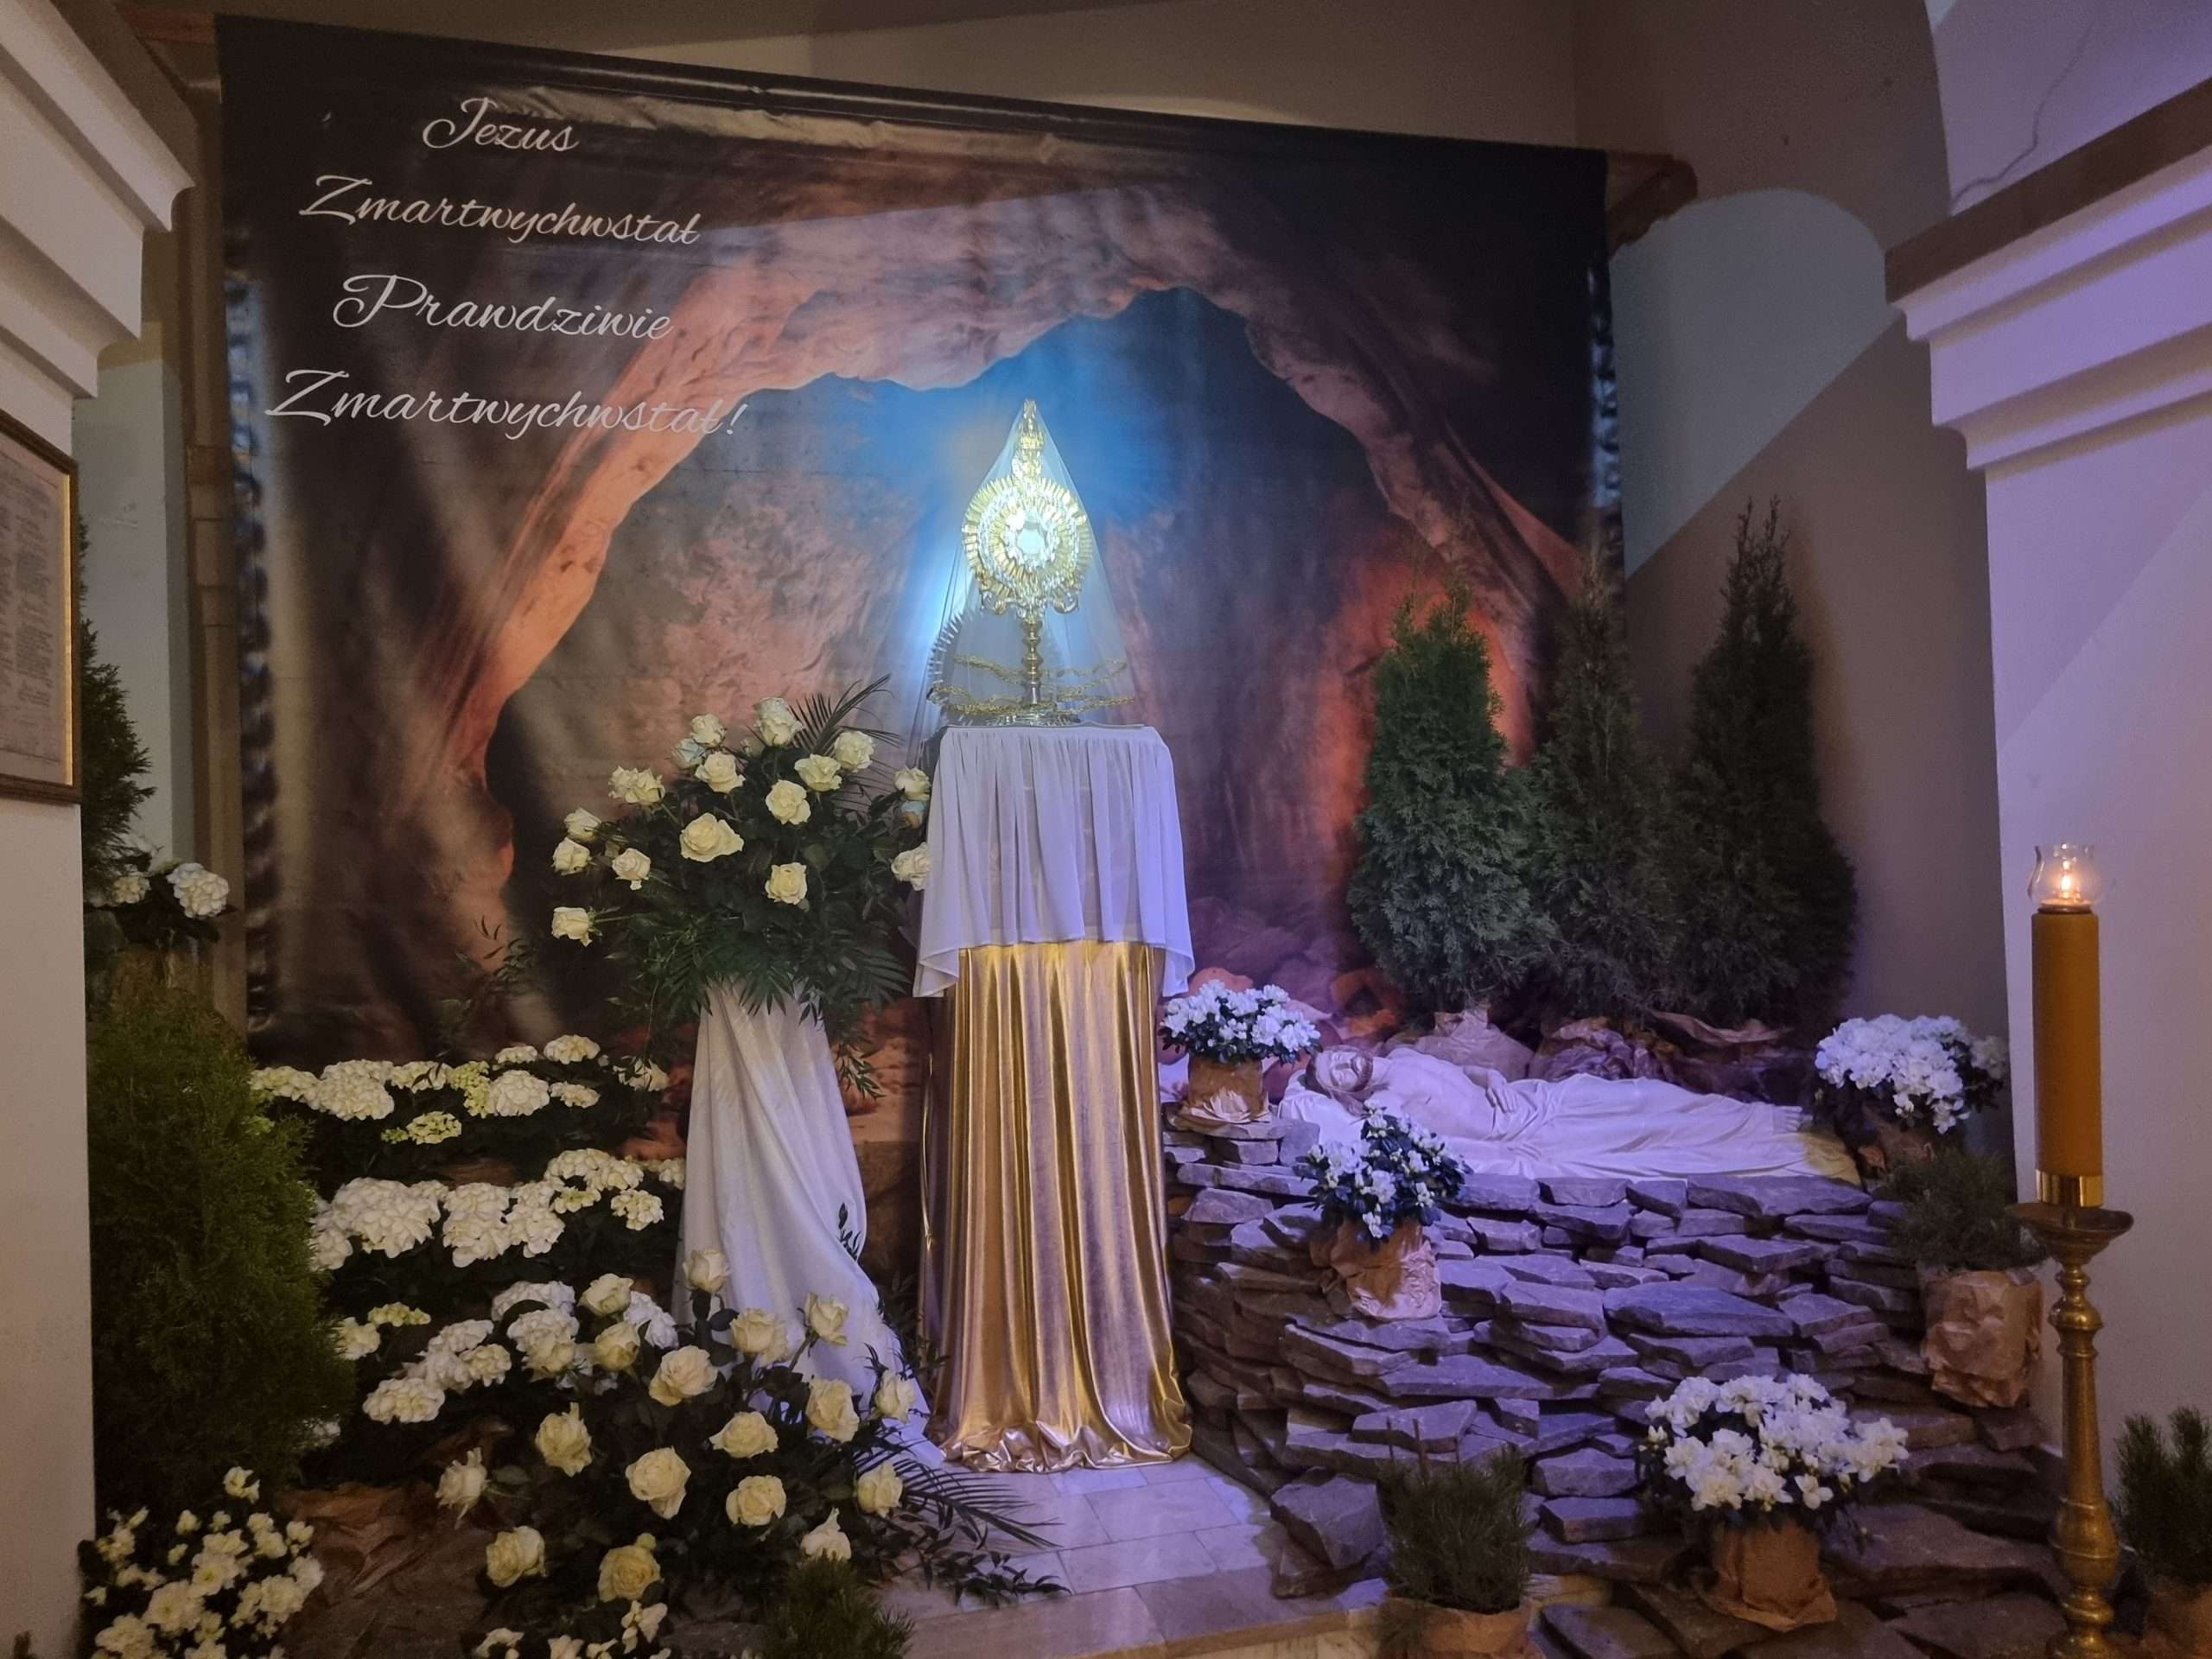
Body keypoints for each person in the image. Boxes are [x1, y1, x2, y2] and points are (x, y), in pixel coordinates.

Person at [1279, 1046, 1857, 1184]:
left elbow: (1465, 1071)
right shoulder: (1384, 1108)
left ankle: (1778, 1121)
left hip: (1535, 1098)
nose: (1345, 1064)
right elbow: (1450, 1151)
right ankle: (1789, 1150)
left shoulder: (1402, 1054)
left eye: (1338, 1056)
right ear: (1347, 1095)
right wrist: (1509, 1152)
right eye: (1337, 1075)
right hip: (1529, 1129)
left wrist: (1493, 1078)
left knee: (1649, 1095)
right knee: (1649, 1130)